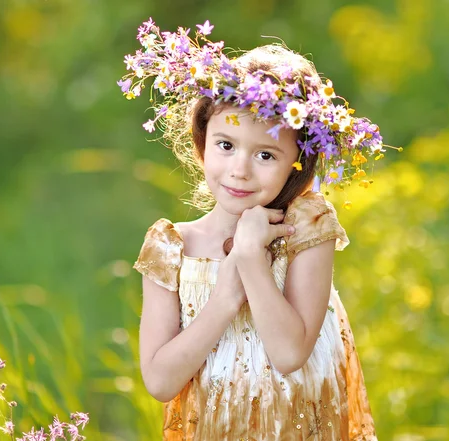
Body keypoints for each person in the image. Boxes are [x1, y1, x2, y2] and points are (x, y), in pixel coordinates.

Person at [120, 18, 391, 440]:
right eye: (226, 146)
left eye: (266, 155)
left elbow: (289, 353)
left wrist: (250, 259)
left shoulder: (306, 229)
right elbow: (159, 381)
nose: (240, 171)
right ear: (202, 141)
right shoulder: (172, 245)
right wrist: (226, 295)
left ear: (297, 163)